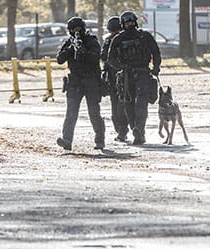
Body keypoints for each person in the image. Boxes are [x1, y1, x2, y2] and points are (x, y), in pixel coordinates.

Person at [107, 11, 161, 145]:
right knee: (128, 103)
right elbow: (111, 59)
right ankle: (134, 129)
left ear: (135, 22)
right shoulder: (118, 39)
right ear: (123, 24)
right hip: (127, 75)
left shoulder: (145, 36)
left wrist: (156, 67)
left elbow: (156, 52)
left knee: (141, 103)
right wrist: (122, 67)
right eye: (127, 23)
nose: (130, 24)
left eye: (131, 22)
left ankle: (140, 131)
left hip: (143, 73)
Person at [56, 16, 106, 151]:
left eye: (78, 29)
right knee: (71, 113)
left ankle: (100, 139)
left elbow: (96, 57)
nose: (76, 32)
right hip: (75, 82)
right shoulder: (69, 43)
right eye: (73, 30)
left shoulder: (91, 41)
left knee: (94, 112)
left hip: (91, 81)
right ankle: (67, 140)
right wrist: (71, 49)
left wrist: (84, 51)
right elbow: (59, 59)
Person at [101, 16, 128, 142]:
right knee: (119, 104)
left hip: (118, 76)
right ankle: (121, 130)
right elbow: (103, 56)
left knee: (118, 104)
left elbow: (103, 56)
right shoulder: (119, 39)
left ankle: (122, 130)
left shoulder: (111, 40)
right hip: (117, 76)